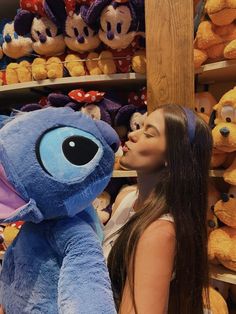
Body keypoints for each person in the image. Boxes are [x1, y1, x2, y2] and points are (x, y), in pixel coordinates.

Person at [105, 104, 213, 314]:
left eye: (148, 133)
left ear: (172, 156)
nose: (133, 134)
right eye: (139, 127)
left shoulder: (158, 233)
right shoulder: (126, 198)